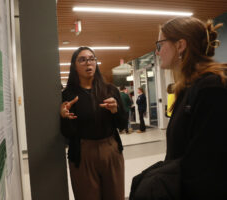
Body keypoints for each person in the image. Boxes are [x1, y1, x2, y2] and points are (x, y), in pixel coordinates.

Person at [130, 17, 227, 199]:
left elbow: (209, 167)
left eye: (159, 45)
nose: (157, 53)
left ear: (180, 45)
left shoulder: (211, 88)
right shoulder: (188, 88)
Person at [60, 47, 126, 200]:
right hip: (82, 154)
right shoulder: (68, 95)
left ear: (96, 63)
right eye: (82, 60)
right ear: (74, 66)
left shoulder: (110, 90)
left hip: (111, 150)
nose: (88, 63)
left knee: (115, 196)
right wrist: (64, 117)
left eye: (91, 58)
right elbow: (67, 134)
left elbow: (122, 124)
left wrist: (116, 110)